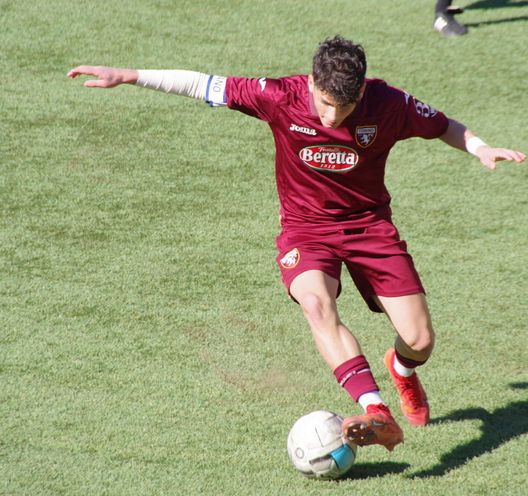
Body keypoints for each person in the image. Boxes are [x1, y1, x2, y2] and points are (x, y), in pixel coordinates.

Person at [68, 36, 525, 452]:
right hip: (306, 230)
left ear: (361, 92)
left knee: (419, 340)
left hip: (369, 227)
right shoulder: (279, 96)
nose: (332, 117)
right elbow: (202, 84)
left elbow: (444, 125)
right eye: (325, 104)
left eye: (344, 107)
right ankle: (375, 410)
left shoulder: (388, 103)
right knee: (316, 303)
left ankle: (402, 370)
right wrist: (129, 75)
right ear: (311, 83)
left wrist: (480, 148)